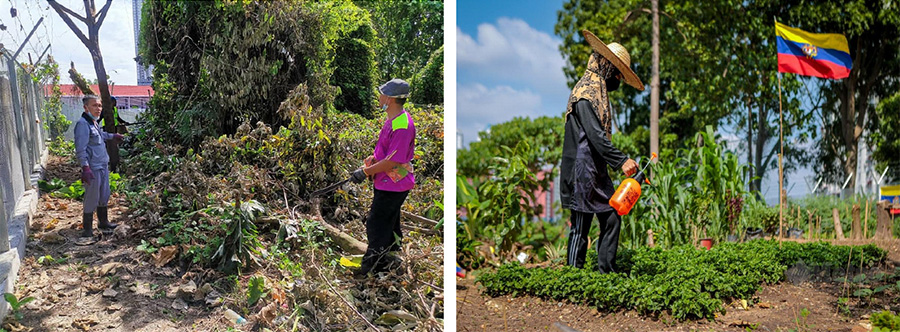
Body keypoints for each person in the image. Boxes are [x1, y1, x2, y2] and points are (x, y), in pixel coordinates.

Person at [559, 30, 641, 273]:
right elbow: (595, 135)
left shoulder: (599, 94)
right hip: (582, 171)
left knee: (613, 215)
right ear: (605, 65)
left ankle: (607, 274)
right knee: (580, 228)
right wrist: (622, 160)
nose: (617, 78)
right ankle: (573, 278)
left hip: (597, 170)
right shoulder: (585, 93)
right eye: (616, 72)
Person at [349, 79, 416, 277]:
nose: (379, 97)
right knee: (390, 220)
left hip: (394, 183)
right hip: (387, 181)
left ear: (390, 98)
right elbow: (386, 152)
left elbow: (393, 161)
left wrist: (365, 172)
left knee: (376, 224)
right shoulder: (393, 120)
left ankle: (371, 266)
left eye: (381, 94)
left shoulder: (402, 125)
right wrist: (372, 160)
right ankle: (392, 256)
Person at [74, 95, 123, 245]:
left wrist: (112, 136)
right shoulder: (82, 124)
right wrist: (85, 168)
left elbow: (100, 136)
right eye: (95, 106)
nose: (98, 109)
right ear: (86, 108)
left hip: (102, 165)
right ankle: (87, 229)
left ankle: (103, 222)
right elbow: (80, 149)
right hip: (93, 168)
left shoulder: (93, 123)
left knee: (104, 194)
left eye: (100, 106)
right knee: (92, 197)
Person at [100, 96, 129, 173]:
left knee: (114, 145)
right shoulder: (105, 111)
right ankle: (108, 162)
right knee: (108, 146)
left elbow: (118, 118)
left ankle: (115, 162)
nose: (116, 103)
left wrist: (124, 122)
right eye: (114, 102)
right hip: (107, 129)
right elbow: (99, 119)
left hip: (115, 129)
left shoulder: (115, 109)